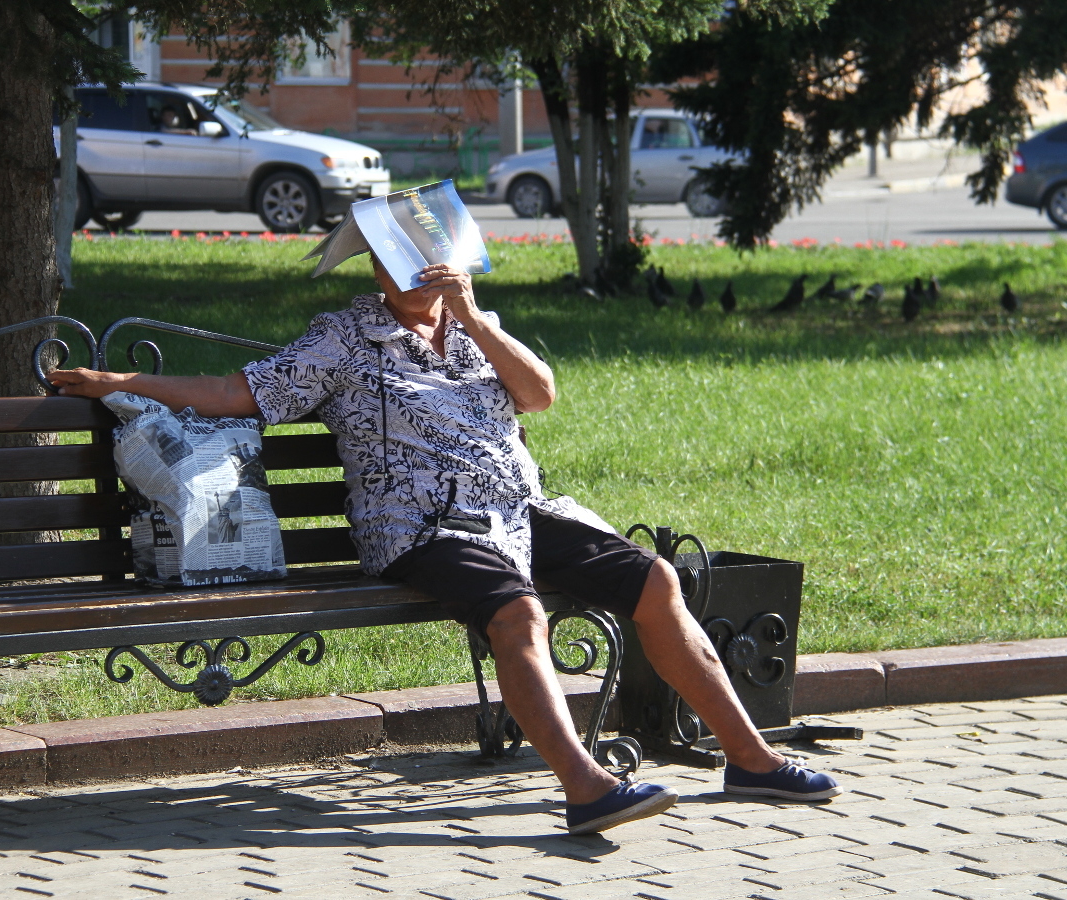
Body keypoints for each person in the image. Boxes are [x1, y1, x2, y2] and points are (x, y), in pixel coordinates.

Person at [49, 256, 840, 835]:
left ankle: (751, 760)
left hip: (518, 509)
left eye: (429, 267)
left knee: (655, 580)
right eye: (399, 267)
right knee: (519, 616)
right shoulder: (346, 338)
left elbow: (540, 393)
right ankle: (586, 788)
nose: (417, 281)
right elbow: (237, 394)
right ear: (377, 270)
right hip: (418, 524)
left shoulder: (471, 332)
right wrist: (124, 384)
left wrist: (472, 317)